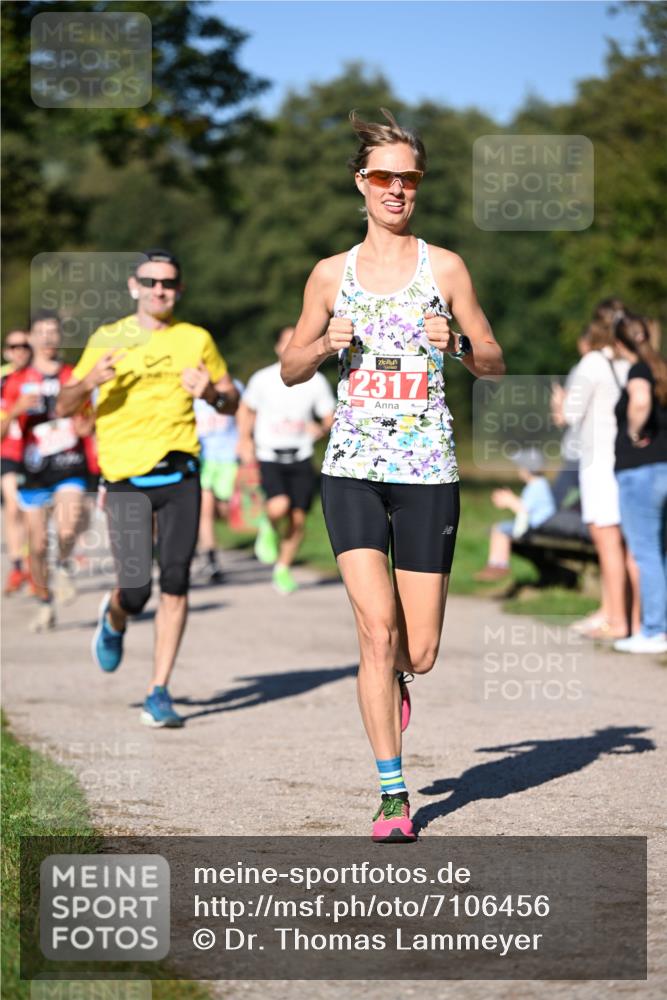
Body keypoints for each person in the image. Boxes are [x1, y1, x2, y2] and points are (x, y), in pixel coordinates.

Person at [280, 110, 504, 841]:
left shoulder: (445, 269)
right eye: (383, 176)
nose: (396, 188)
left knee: (419, 650)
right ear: (360, 183)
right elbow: (288, 368)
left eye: (409, 177)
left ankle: (398, 678)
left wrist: (460, 343)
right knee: (375, 632)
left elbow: (494, 360)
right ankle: (391, 795)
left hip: (427, 472)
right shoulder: (328, 275)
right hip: (350, 467)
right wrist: (321, 344)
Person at [56, 249, 239, 727]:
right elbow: (62, 405)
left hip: (181, 475)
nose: (160, 289)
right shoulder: (107, 338)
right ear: (134, 286)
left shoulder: (195, 338)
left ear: (178, 290)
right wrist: (90, 380)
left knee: (176, 579)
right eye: (151, 281)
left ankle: (159, 691)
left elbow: (231, 401)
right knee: (135, 590)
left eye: (169, 283)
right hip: (125, 480)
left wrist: (212, 394)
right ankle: (115, 617)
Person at [0, 312, 88, 630]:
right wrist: (15, 411)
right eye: (42, 332)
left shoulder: (73, 375)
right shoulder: (14, 381)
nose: (48, 338)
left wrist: (85, 426)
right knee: (36, 546)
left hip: (68, 463)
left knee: (68, 524)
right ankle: (44, 600)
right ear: (32, 337)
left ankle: (63, 565)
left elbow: (90, 421)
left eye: (54, 332)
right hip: (32, 468)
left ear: (60, 337)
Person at [551, 316, 635, 640]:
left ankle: (615, 619)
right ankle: (623, 614)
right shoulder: (624, 365)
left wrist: (560, 402)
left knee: (607, 540)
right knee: (622, 541)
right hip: (623, 460)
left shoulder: (591, 363)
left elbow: (569, 415)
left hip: (597, 462)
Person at [237, 326, 335, 595]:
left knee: (298, 519)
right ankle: (266, 524)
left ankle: (282, 568)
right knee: (279, 505)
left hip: (301, 455)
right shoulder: (263, 379)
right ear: (279, 348)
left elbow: (330, 416)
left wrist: (322, 428)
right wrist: (244, 439)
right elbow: (246, 409)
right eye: (286, 342)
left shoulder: (316, 381)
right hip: (269, 454)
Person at [612, 313, 667, 654]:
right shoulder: (661, 369)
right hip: (663, 469)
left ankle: (655, 630)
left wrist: (634, 432)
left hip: (641, 473)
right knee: (660, 552)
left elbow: (640, 400)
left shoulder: (638, 371)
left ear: (619, 344)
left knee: (645, 552)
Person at [474, 449, 556, 582]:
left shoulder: (537, 486)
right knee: (499, 528)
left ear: (528, 470)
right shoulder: (538, 484)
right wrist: (510, 500)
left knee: (501, 529)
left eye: (521, 468)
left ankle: (500, 565)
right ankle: (495, 564)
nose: (519, 471)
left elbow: (523, 509)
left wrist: (510, 500)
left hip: (537, 526)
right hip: (535, 524)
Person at [193, 378, 244, 584]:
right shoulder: (190, 388)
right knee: (204, 510)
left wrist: (245, 441)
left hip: (229, 457)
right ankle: (211, 559)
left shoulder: (233, 385)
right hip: (203, 458)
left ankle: (204, 544)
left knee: (224, 510)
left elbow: (242, 414)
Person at [1, 330, 32, 594]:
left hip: (38, 454)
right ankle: (17, 566)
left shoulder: (41, 376)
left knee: (33, 512)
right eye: (14, 346)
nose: (20, 350)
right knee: (13, 508)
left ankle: (34, 562)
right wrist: (15, 411)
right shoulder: (2, 379)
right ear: (6, 351)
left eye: (24, 345)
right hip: (9, 452)